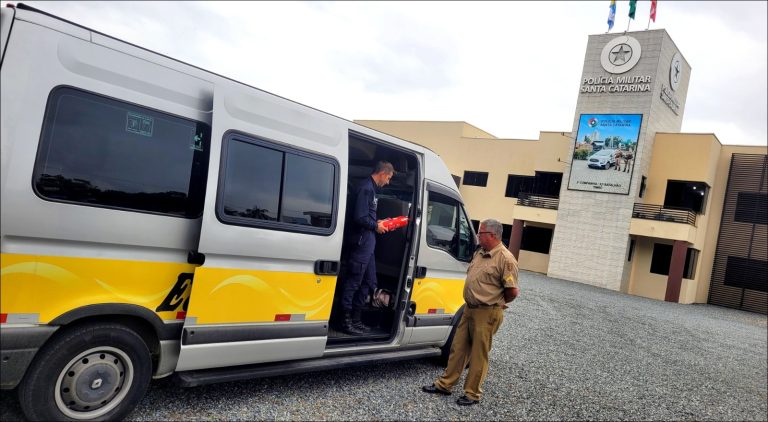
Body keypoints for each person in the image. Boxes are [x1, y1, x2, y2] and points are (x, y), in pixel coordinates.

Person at [421, 218, 520, 406]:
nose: (477, 236)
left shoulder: (505, 259)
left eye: (480, 233)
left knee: (478, 354)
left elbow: (512, 291)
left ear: (492, 235)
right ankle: (445, 385)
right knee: (458, 349)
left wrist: (495, 303)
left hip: (487, 312)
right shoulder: (480, 253)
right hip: (469, 309)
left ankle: (472, 393)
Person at [339, 161, 395, 335]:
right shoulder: (366, 188)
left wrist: (376, 222)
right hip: (361, 242)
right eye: (389, 178)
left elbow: (366, 216)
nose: (388, 182)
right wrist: (375, 226)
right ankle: (344, 321)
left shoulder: (371, 189)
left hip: (368, 243)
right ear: (383, 173)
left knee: (369, 282)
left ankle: (356, 319)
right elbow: (359, 217)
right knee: (353, 281)